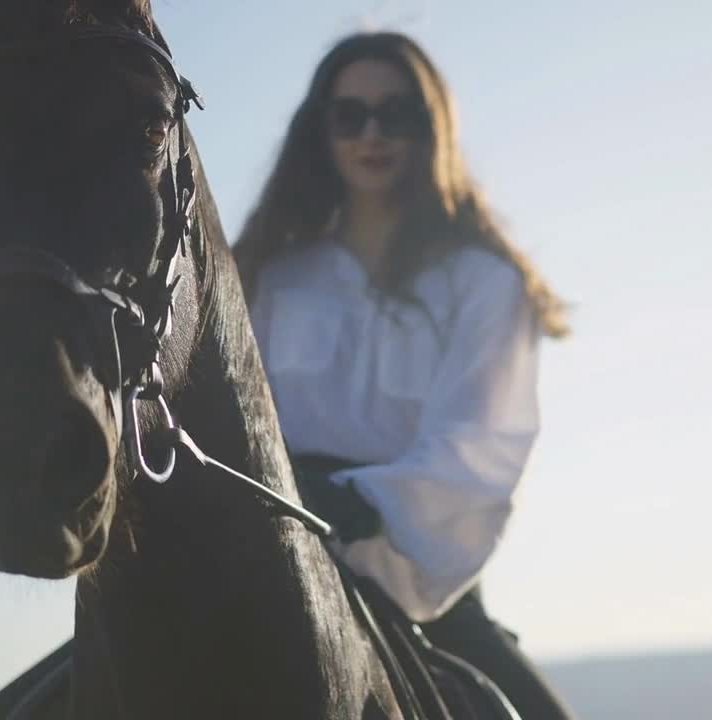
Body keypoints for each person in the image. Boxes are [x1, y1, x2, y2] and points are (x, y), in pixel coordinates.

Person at [232, 31, 575, 719]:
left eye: (397, 114)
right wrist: (288, 501)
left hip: (412, 571)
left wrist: (358, 504)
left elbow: (481, 447)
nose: (373, 134)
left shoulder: (484, 282)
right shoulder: (268, 273)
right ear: (321, 129)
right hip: (262, 557)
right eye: (350, 115)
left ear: (431, 127)